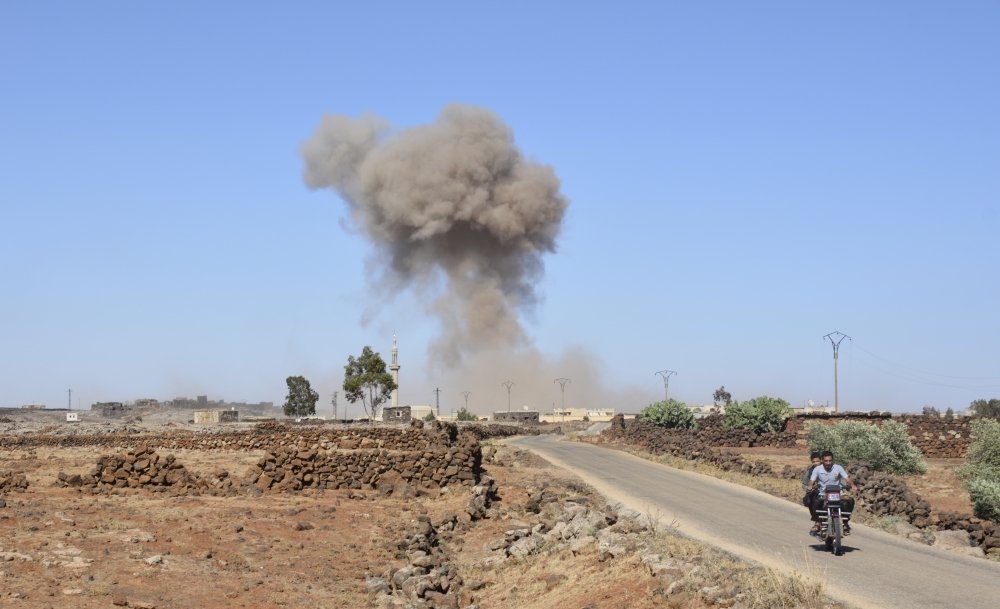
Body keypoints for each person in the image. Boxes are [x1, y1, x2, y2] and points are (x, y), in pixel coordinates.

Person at [808, 450, 855, 535]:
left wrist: (852, 485)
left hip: (838, 494)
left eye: (830, 461)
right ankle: (817, 523)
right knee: (816, 502)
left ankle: (845, 524)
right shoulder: (817, 469)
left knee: (849, 501)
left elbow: (847, 478)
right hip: (823, 494)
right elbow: (812, 480)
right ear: (822, 460)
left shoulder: (838, 468)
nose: (828, 463)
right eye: (826, 461)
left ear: (832, 460)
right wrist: (810, 486)